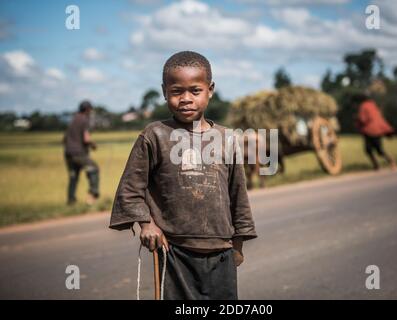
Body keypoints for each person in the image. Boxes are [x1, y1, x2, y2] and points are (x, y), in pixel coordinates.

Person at [109, 51, 257, 300]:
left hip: (222, 250)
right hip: (173, 251)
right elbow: (131, 189)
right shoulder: (154, 135)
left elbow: (237, 193)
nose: (186, 99)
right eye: (177, 91)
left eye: (195, 91)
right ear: (164, 91)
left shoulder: (226, 138)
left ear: (210, 90)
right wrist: (147, 224)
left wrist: (238, 243)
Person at [63, 100, 100, 205]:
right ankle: (92, 195)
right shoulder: (84, 119)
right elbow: (86, 139)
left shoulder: (73, 119)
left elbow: (64, 139)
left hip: (68, 153)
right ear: (87, 109)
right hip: (78, 153)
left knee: (73, 176)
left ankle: (71, 201)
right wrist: (93, 145)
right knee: (93, 169)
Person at [355, 94, 396, 171]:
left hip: (369, 130)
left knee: (368, 150)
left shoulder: (363, 106)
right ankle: (387, 162)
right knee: (379, 150)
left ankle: (378, 164)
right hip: (377, 130)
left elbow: (362, 119)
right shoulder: (373, 105)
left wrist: (357, 121)